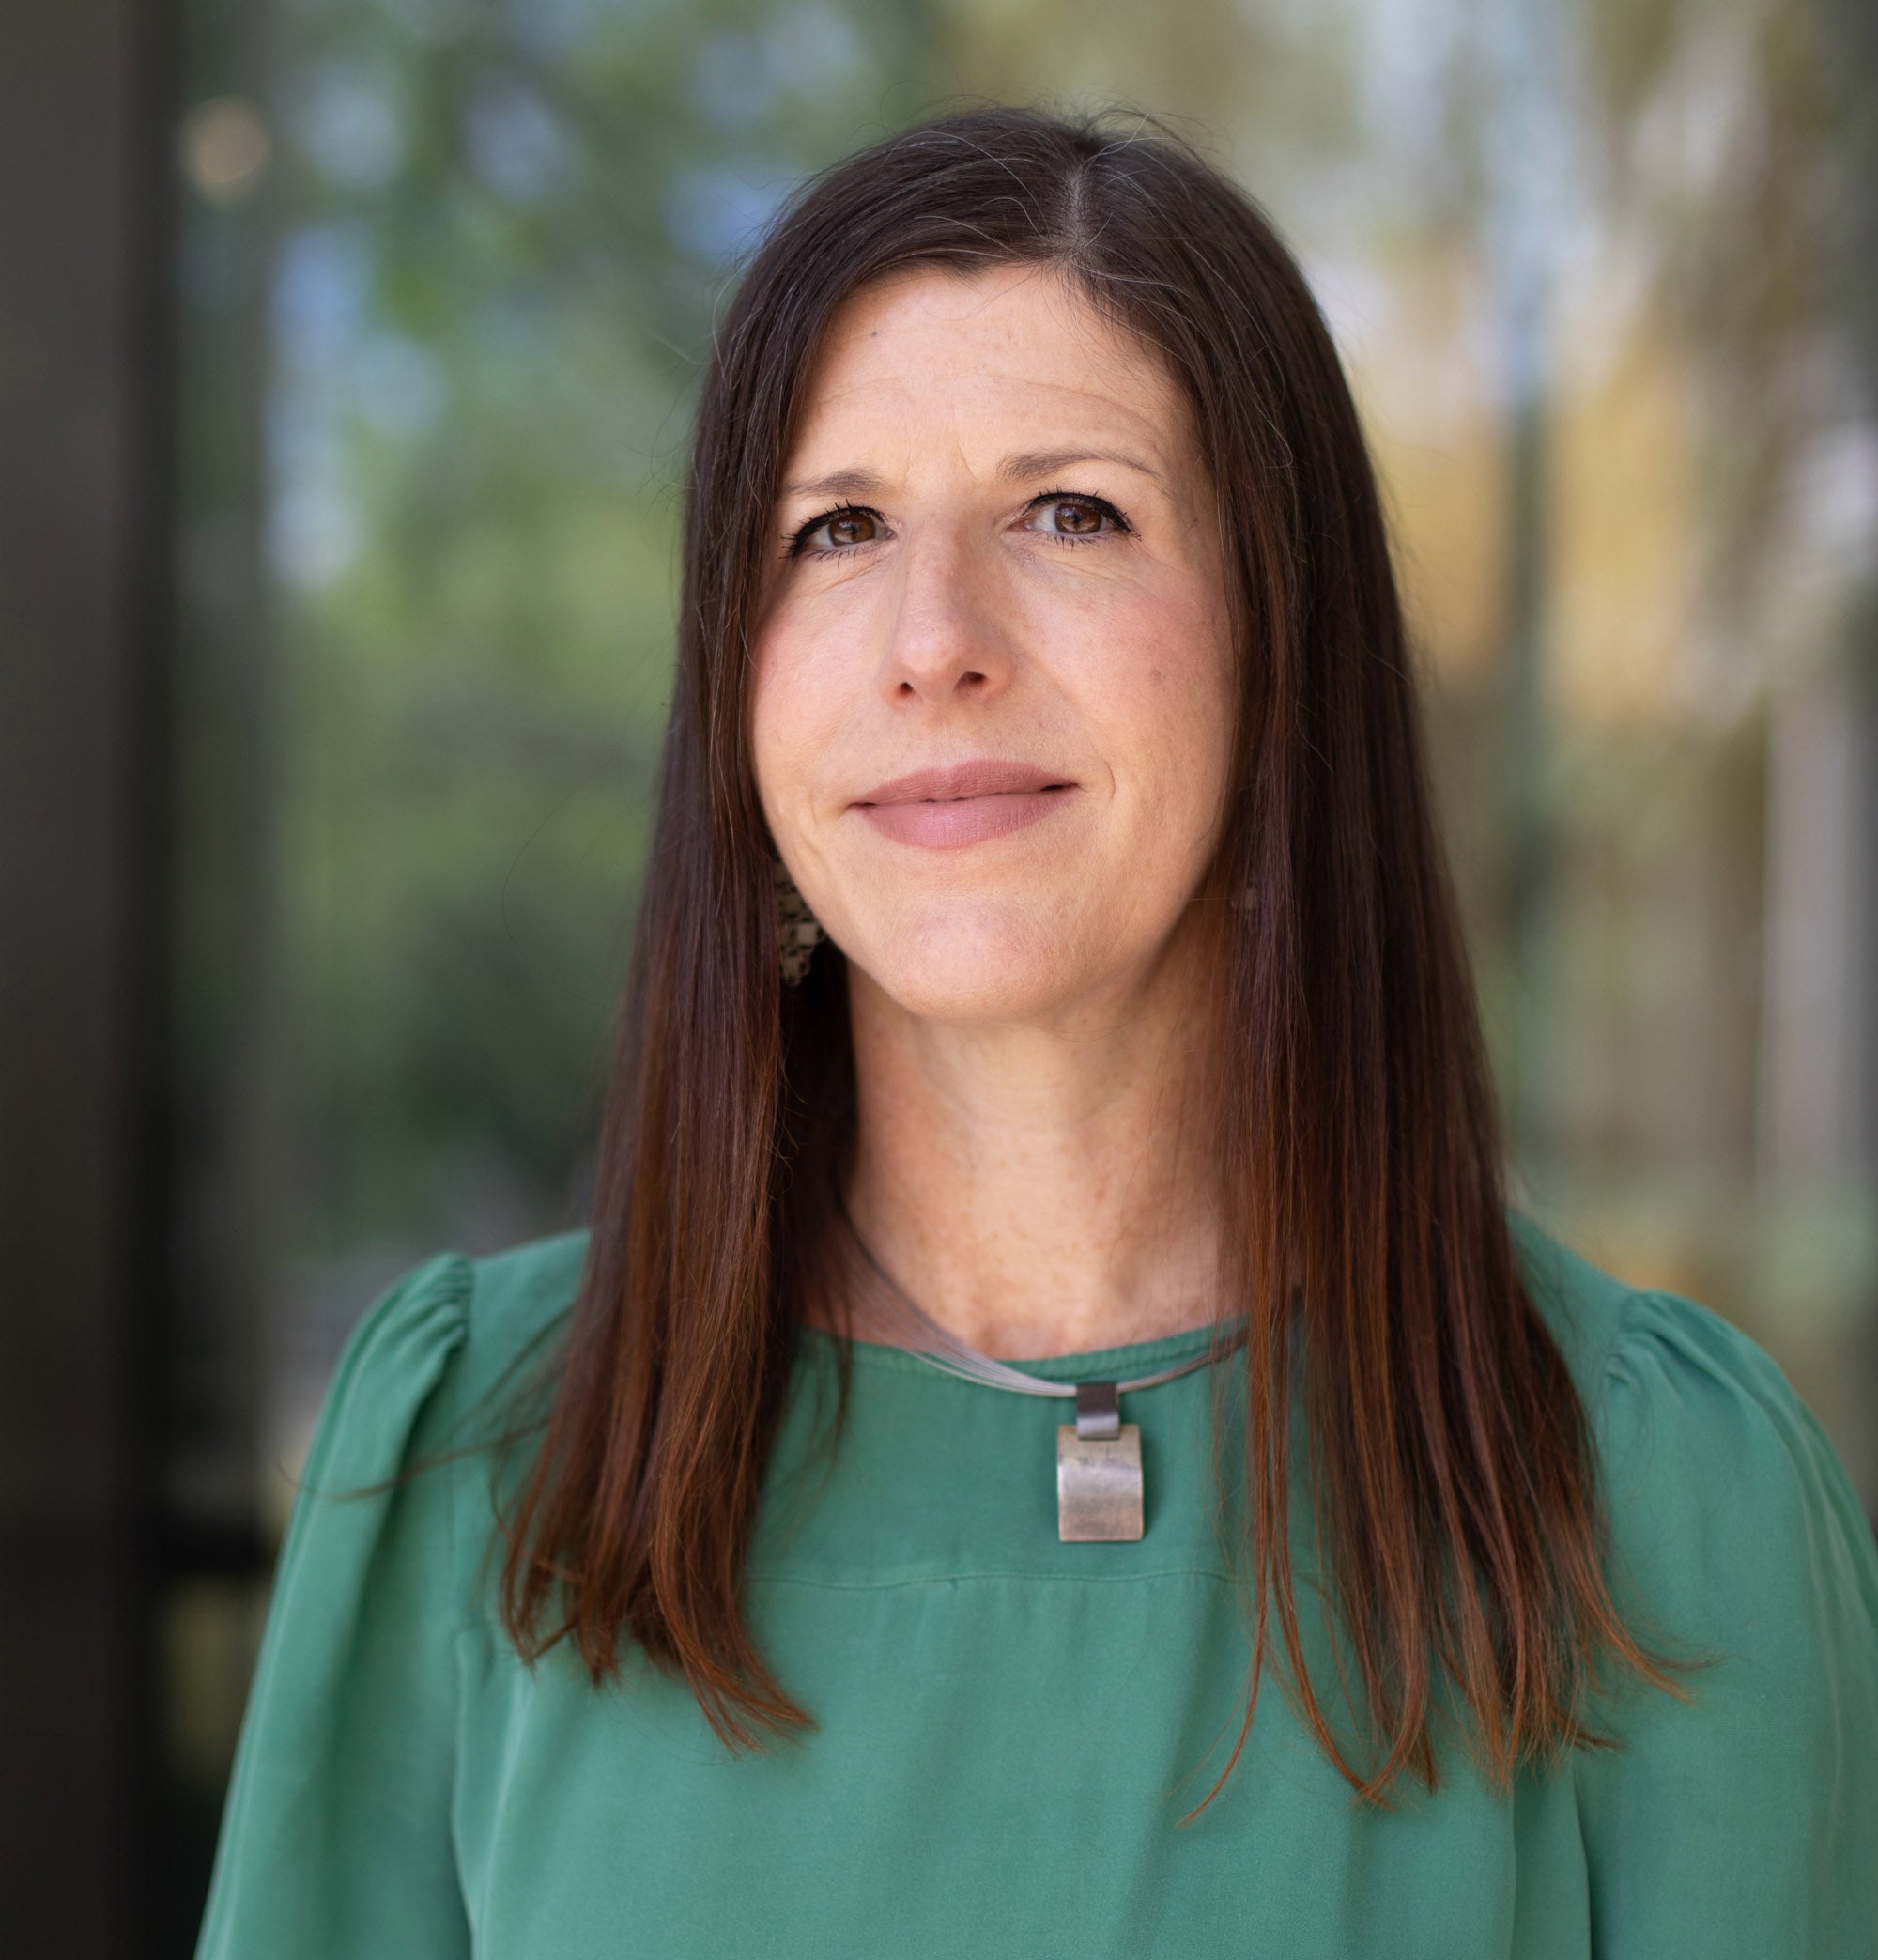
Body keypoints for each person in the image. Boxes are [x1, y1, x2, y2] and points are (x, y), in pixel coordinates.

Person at [193, 106, 1878, 1957]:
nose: (933, 638)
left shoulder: (1657, 1500)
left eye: (1070, 509)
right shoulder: (469, 1462)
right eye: (833, 530)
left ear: (1278, 635)